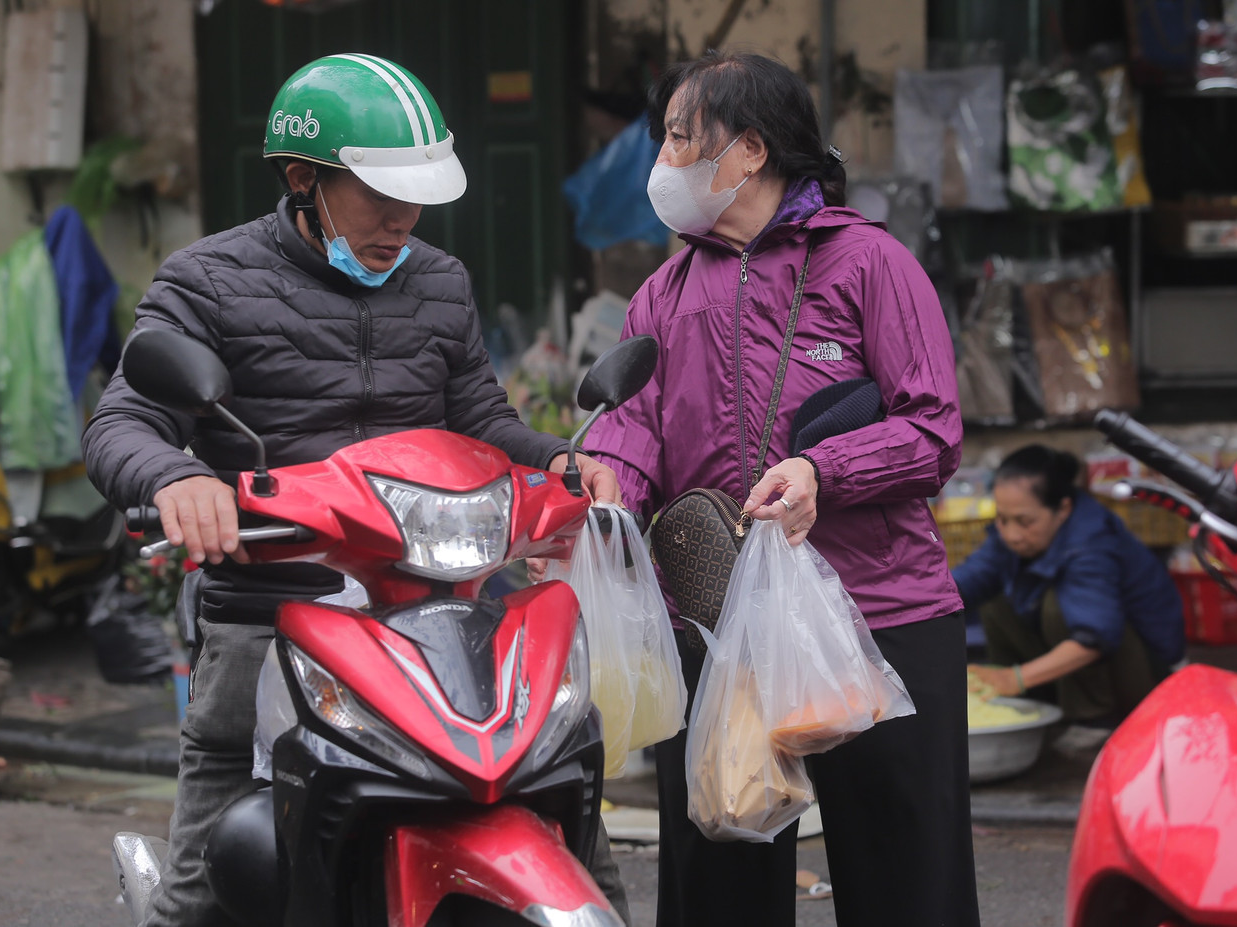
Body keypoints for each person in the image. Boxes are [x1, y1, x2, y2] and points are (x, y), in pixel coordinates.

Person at [82, 54, 631, 927]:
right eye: (380, 196)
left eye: (416, 198)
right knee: (205, 891)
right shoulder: (208, 280)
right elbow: (122, 424)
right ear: (304, 178)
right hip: (271, 600)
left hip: (432, 611)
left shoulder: (439, 282)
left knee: (571, 805)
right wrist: (179, 477)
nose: (403, 220)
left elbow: (480, 417)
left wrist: (558, 462)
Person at [583, 51, 980, 927]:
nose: (665, 162)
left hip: (880, 612)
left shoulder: (871, 263)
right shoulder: (663, 291)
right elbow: (634, 421)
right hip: (721, 621)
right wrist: (607, 479)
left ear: (750, 150)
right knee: (720, 866)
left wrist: (822, 471)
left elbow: (932, 431)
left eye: (682, 139)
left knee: (906, 872)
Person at [956, 445, 1186, 725]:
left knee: (1059, 608)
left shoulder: (1091, 543)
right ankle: (1023, 706)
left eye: (1025, 522)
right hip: (1079, 659)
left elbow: (1095, 636)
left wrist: (1015, 678)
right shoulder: (1011, 537)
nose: (1012, 534)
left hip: (1146, 672)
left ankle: (1091, 722)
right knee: (994, 600)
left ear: (1063, 508)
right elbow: (969, 580)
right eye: (1002, 519)